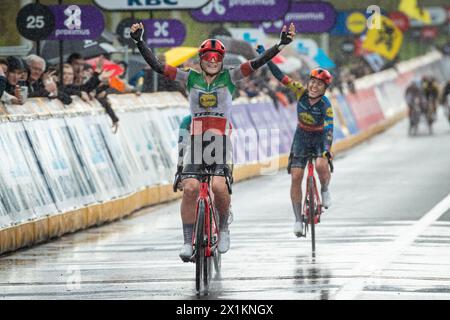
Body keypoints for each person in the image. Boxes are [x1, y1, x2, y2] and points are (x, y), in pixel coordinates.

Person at [130, 21, 295, 261]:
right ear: (201, 59)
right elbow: (157, 66)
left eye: (217, 58)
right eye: (208, 57)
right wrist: (139, 42)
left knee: (218, 186)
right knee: (190, 188)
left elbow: (258, 63)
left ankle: (224, 228)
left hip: (220, 140)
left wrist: (280, 44)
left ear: (222, 60)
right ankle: (188, 241)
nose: (212, 61)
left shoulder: (231, 76)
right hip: (196, 140)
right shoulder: (189, 78)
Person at [257, 45, 333, 238]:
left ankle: (324, 189)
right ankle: (298, 219)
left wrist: (325, 151)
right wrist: (266, 58)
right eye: (312, 82)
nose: (314, 86)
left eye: (319, 84)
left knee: (321, 164)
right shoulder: (300, 91)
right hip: (301, 136)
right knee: (296, 176)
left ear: (324, 88)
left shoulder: (326, 105)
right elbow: (281, 77)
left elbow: (329, 130)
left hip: (319, 137)